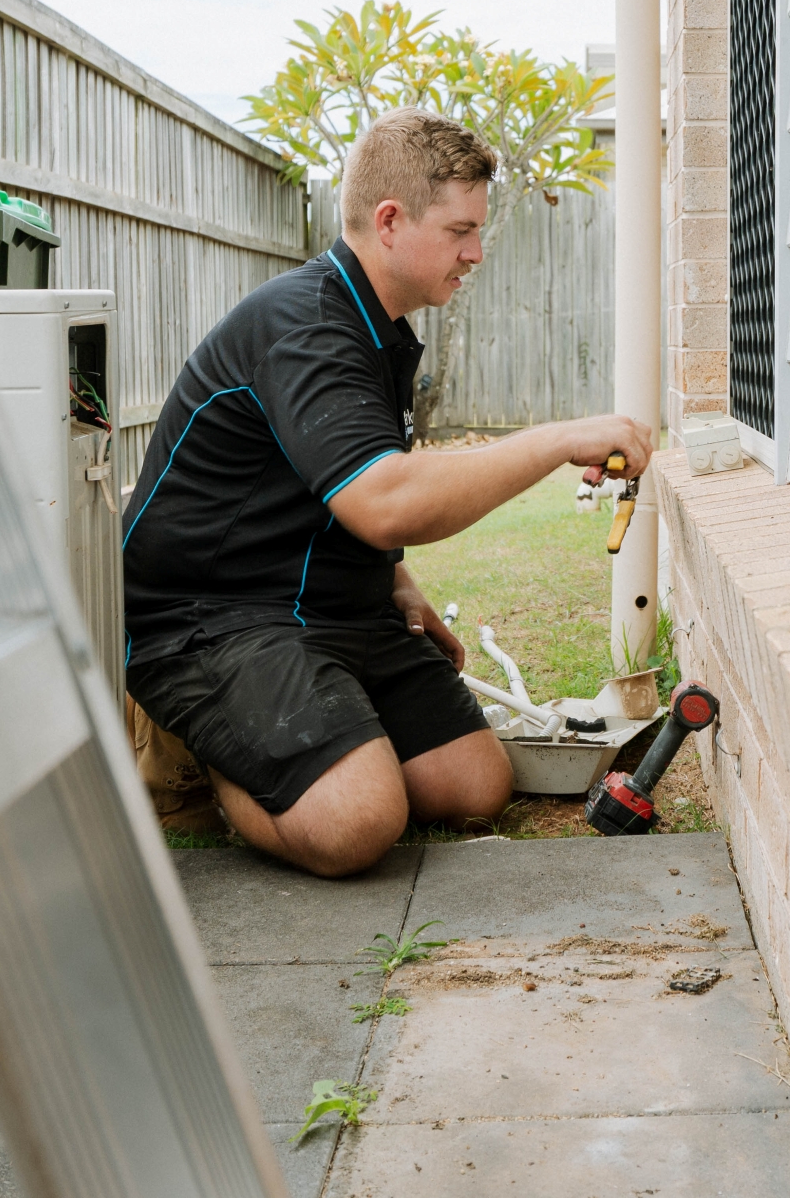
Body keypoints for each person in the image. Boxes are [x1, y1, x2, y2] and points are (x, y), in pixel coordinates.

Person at [121, 108, 654, 876]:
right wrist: (553, 440)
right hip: (213, 620)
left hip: (331, 608)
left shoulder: (382, 327)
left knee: (475, 785)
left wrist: (399, 582)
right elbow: (385, 500)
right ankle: (209, 747)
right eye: (461, 230)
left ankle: (314, 734)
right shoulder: (304, 327)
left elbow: (329, 486)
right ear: (390, 220)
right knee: (361, 821)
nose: (476, 252)